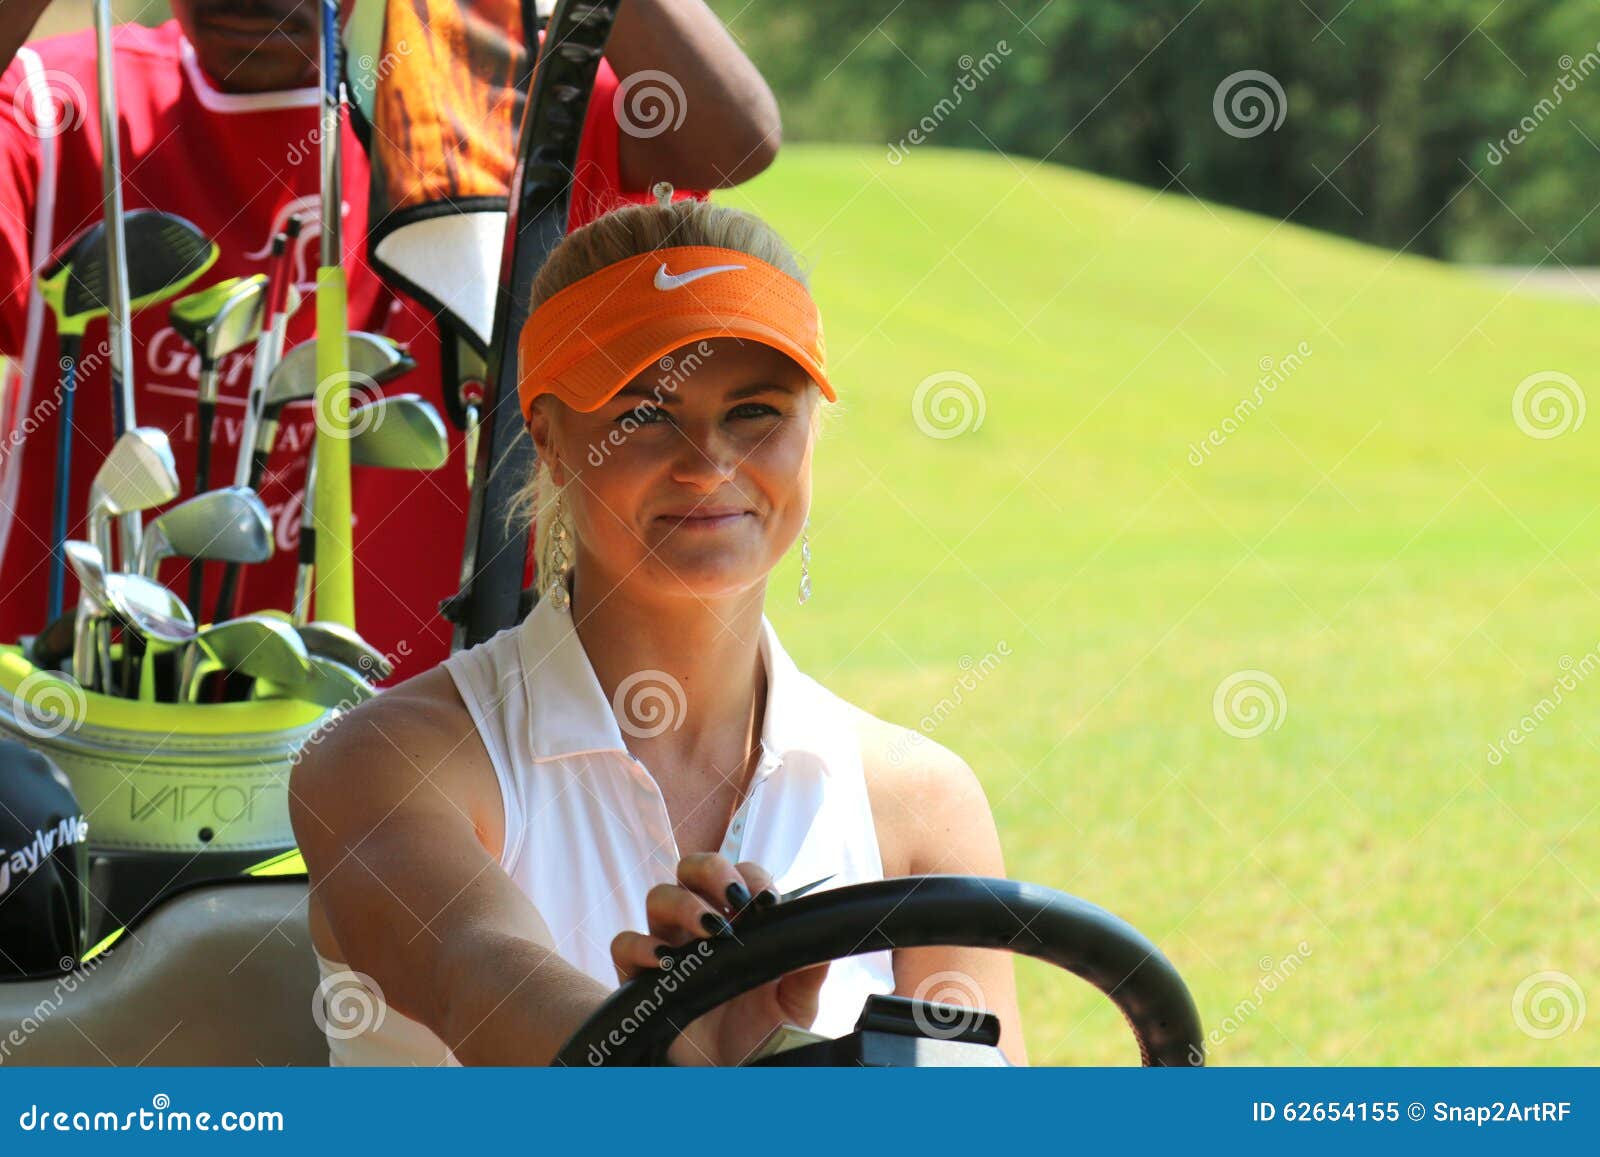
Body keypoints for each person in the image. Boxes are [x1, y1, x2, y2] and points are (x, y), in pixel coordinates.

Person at [289, 188, 1029, 1066]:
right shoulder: (383, 761)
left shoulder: (922, 804)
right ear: (551, 438)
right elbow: (475, 971)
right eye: (644, 414)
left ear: (811, 431)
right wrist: (677, 1066)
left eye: (756, 410)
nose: (709, 463)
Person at [0, 0, 781, 678]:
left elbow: (728, 137)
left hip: (402, 755)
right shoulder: (65, 102)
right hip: (69, 731)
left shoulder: (480, 99)